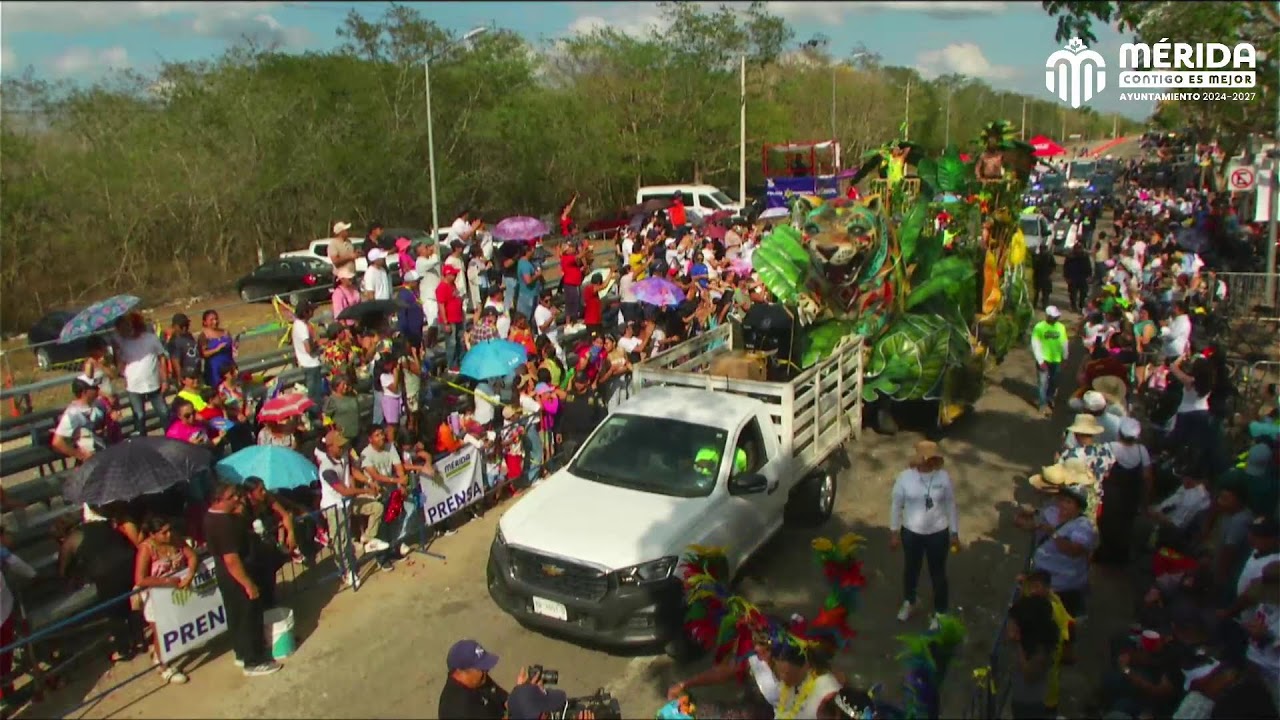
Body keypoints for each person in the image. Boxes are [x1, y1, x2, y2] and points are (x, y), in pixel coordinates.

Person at [203, 482, 282, 676]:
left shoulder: (212, 516)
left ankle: (241, 653)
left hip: (227, 575)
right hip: (237, 575)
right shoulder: (224, 524)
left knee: (236, 616)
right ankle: (253, 661)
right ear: (218, 500)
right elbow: (231, 560)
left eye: (237, 495)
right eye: (232, 497)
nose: (238, 499)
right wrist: (248, 584)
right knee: (249, 616)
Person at [889, 441, 960, 629]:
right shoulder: (905, 478)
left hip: (938, 533)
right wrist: (894, 532)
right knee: (911, 569)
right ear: (919, 459)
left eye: (932, 459)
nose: (929, 463)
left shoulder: (943, 478)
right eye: (926, 459)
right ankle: (910, 601)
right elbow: (896, 505)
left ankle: (940, 612)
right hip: (911, 533)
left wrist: (954, 532)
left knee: (938, 573)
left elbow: (951, 504)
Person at [1016, 484, 1096, 619]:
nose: (1063, 505)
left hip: (1064, 587)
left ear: (1078, 508)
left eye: (1069, 502)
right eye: (1062, 500)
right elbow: (1025, 522)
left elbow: (1074, 550)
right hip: (1041, 580)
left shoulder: (1082, 526)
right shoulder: (1051, 513)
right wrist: (1027, 518)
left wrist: (1053, 533)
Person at [134, 516, 197, 684]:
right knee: (160, 631)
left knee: (175, 625)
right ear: (153, 534)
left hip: (175, 593)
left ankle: (161, 653)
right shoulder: (146, 549)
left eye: (169, 530)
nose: (169, 535)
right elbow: (140, 579)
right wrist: (166, 581)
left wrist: (190, 573)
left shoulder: (175, 539)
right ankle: (162, 666)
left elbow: (192, 556)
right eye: (163, 533)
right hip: (155, 596)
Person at [242, 477, 297, 608]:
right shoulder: (243, 507)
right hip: (251, 545)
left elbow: (284, 515)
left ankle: (271, 600)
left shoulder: (267, 498)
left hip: (267, 540)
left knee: (270, 569)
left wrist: (291, 533)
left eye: (264, 488)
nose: (264, 492)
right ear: (250, 494)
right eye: (260, 490)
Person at [112, 312, 170, 437]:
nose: (129, 330)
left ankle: (171, 436)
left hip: (153, 383)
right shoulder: (123, 342)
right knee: (139, 416)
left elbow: (161, 357)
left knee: (164, 412)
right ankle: (142, 442)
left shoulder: (151, 338)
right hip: (134, 386)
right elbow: (120, 365)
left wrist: (164, 379)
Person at [437, 639, 522, 720]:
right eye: (480, 668)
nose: (486, 670)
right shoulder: (458, 712)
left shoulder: (479, 678)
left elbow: (501, 696)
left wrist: (516, 699)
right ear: (460, 673)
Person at [1005, 594, 1058, 719]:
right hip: (1022, 699)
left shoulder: (1041, 650)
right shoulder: (1031, 641)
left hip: (1030, 705)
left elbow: (1030, 675)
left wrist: (1018, 644)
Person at [771, 643, 842, 719]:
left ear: (805, 665)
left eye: (785, 673)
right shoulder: (789, 686)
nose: (782, 679)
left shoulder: (827, 689)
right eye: (780, 672)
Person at [51, 376, 107, 463]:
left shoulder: (98, 406)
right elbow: (57, 442)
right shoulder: (73, 414)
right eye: (94, 388)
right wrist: (80, 455)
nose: (98, 389)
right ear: (84, 392)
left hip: (103, 453)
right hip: (89, 460)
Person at [1031, 306, 1069, 416]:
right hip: (1044, 359)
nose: (1056, 319)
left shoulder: (1061, 327)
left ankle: (1050, 397)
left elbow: (1064, 342)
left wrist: (1065, 357)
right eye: (1053, 317)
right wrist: (1040, 360)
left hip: (1056, 360)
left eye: (1057, 317)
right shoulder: (1039, 327)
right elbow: (1035, 344)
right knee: (1042, 383)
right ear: (1047, 316)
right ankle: (1042, 404)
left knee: (1054, 381)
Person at [292, 301, 324, 407]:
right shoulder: (302, 328)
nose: (313, 312)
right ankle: (315, 413)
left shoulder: (297, 324)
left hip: (306, 364)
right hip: (311, 365)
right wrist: (318, 345)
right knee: (315, 396)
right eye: (311, 310)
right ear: (305, 312)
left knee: (314, 394)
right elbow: (308, 349)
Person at [198, 310, 235, 390]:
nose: (215, 322)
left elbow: (231, 350)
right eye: (211, 320)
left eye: (216, 319)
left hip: (228, 366)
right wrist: (216, 349)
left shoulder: (225, 332)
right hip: (214, 370)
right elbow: (203, 354)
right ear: (205, 322)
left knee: (231, 389)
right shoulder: (204, 336)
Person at [164, 313, 201, 384]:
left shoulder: (189, 336)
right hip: (186, 377)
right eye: (182, 326)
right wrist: (179, 376)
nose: (185, 328)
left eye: (186, 325)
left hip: (196, 374)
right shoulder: (174, 341)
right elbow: (175, 360)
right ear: (175, 326)